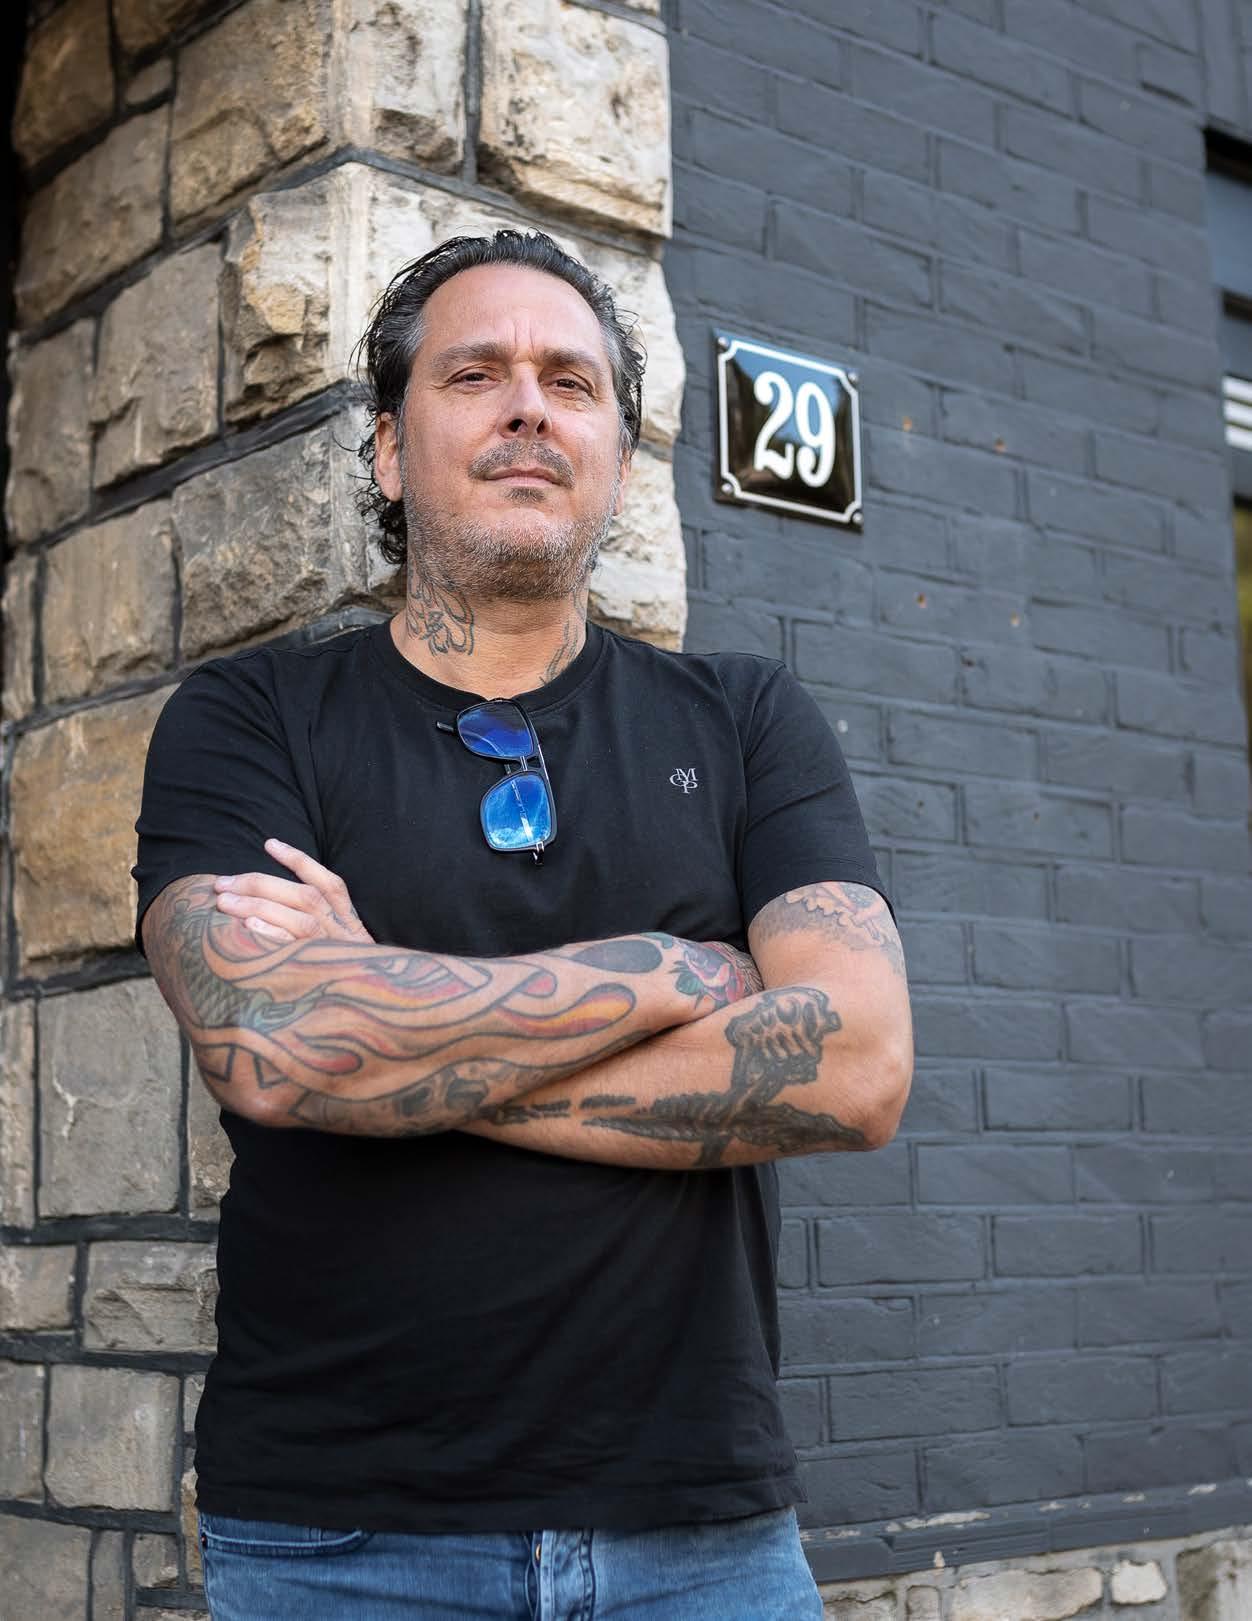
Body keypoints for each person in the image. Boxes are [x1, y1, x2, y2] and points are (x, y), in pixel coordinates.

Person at [134, 228, 913, 1620]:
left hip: (701, 1544)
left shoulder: (746, 720)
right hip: (343, 1545)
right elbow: (267, 1043)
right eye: (474, 373)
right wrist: (675, 973)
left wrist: (383, 1012)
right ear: (389, 450)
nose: (529, 408)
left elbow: (854, 1067)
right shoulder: (252, 719)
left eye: (571, 381)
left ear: (616, 455)